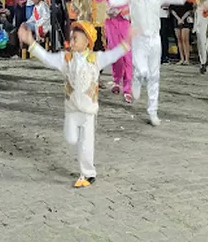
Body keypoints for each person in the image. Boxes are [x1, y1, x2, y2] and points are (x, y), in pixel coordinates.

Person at [20, 19, 131, 188]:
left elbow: (113, 54)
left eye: (75, 39)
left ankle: (88, 174)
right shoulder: (66, 59)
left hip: (88, 111)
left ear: (87, 41)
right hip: (71, 110)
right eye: (71, 38)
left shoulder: (95, 58)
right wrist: (32, 43)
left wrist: (127, 42)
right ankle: (84, 164)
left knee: (86, 143)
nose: (71, 42)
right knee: (71, 137)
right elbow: (48, 58)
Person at [106, 0, 196, 125]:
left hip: (155, 38)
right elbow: (113, 1)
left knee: (154, 76)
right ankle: (137, 78)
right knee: (142, 69)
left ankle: (153, 111)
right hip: (139, 38)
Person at [92, 0, 133, 101]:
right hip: (110, 23)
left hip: (125, 22)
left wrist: (122, 10)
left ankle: (128, 88)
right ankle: (116, 82)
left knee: (127, 56)